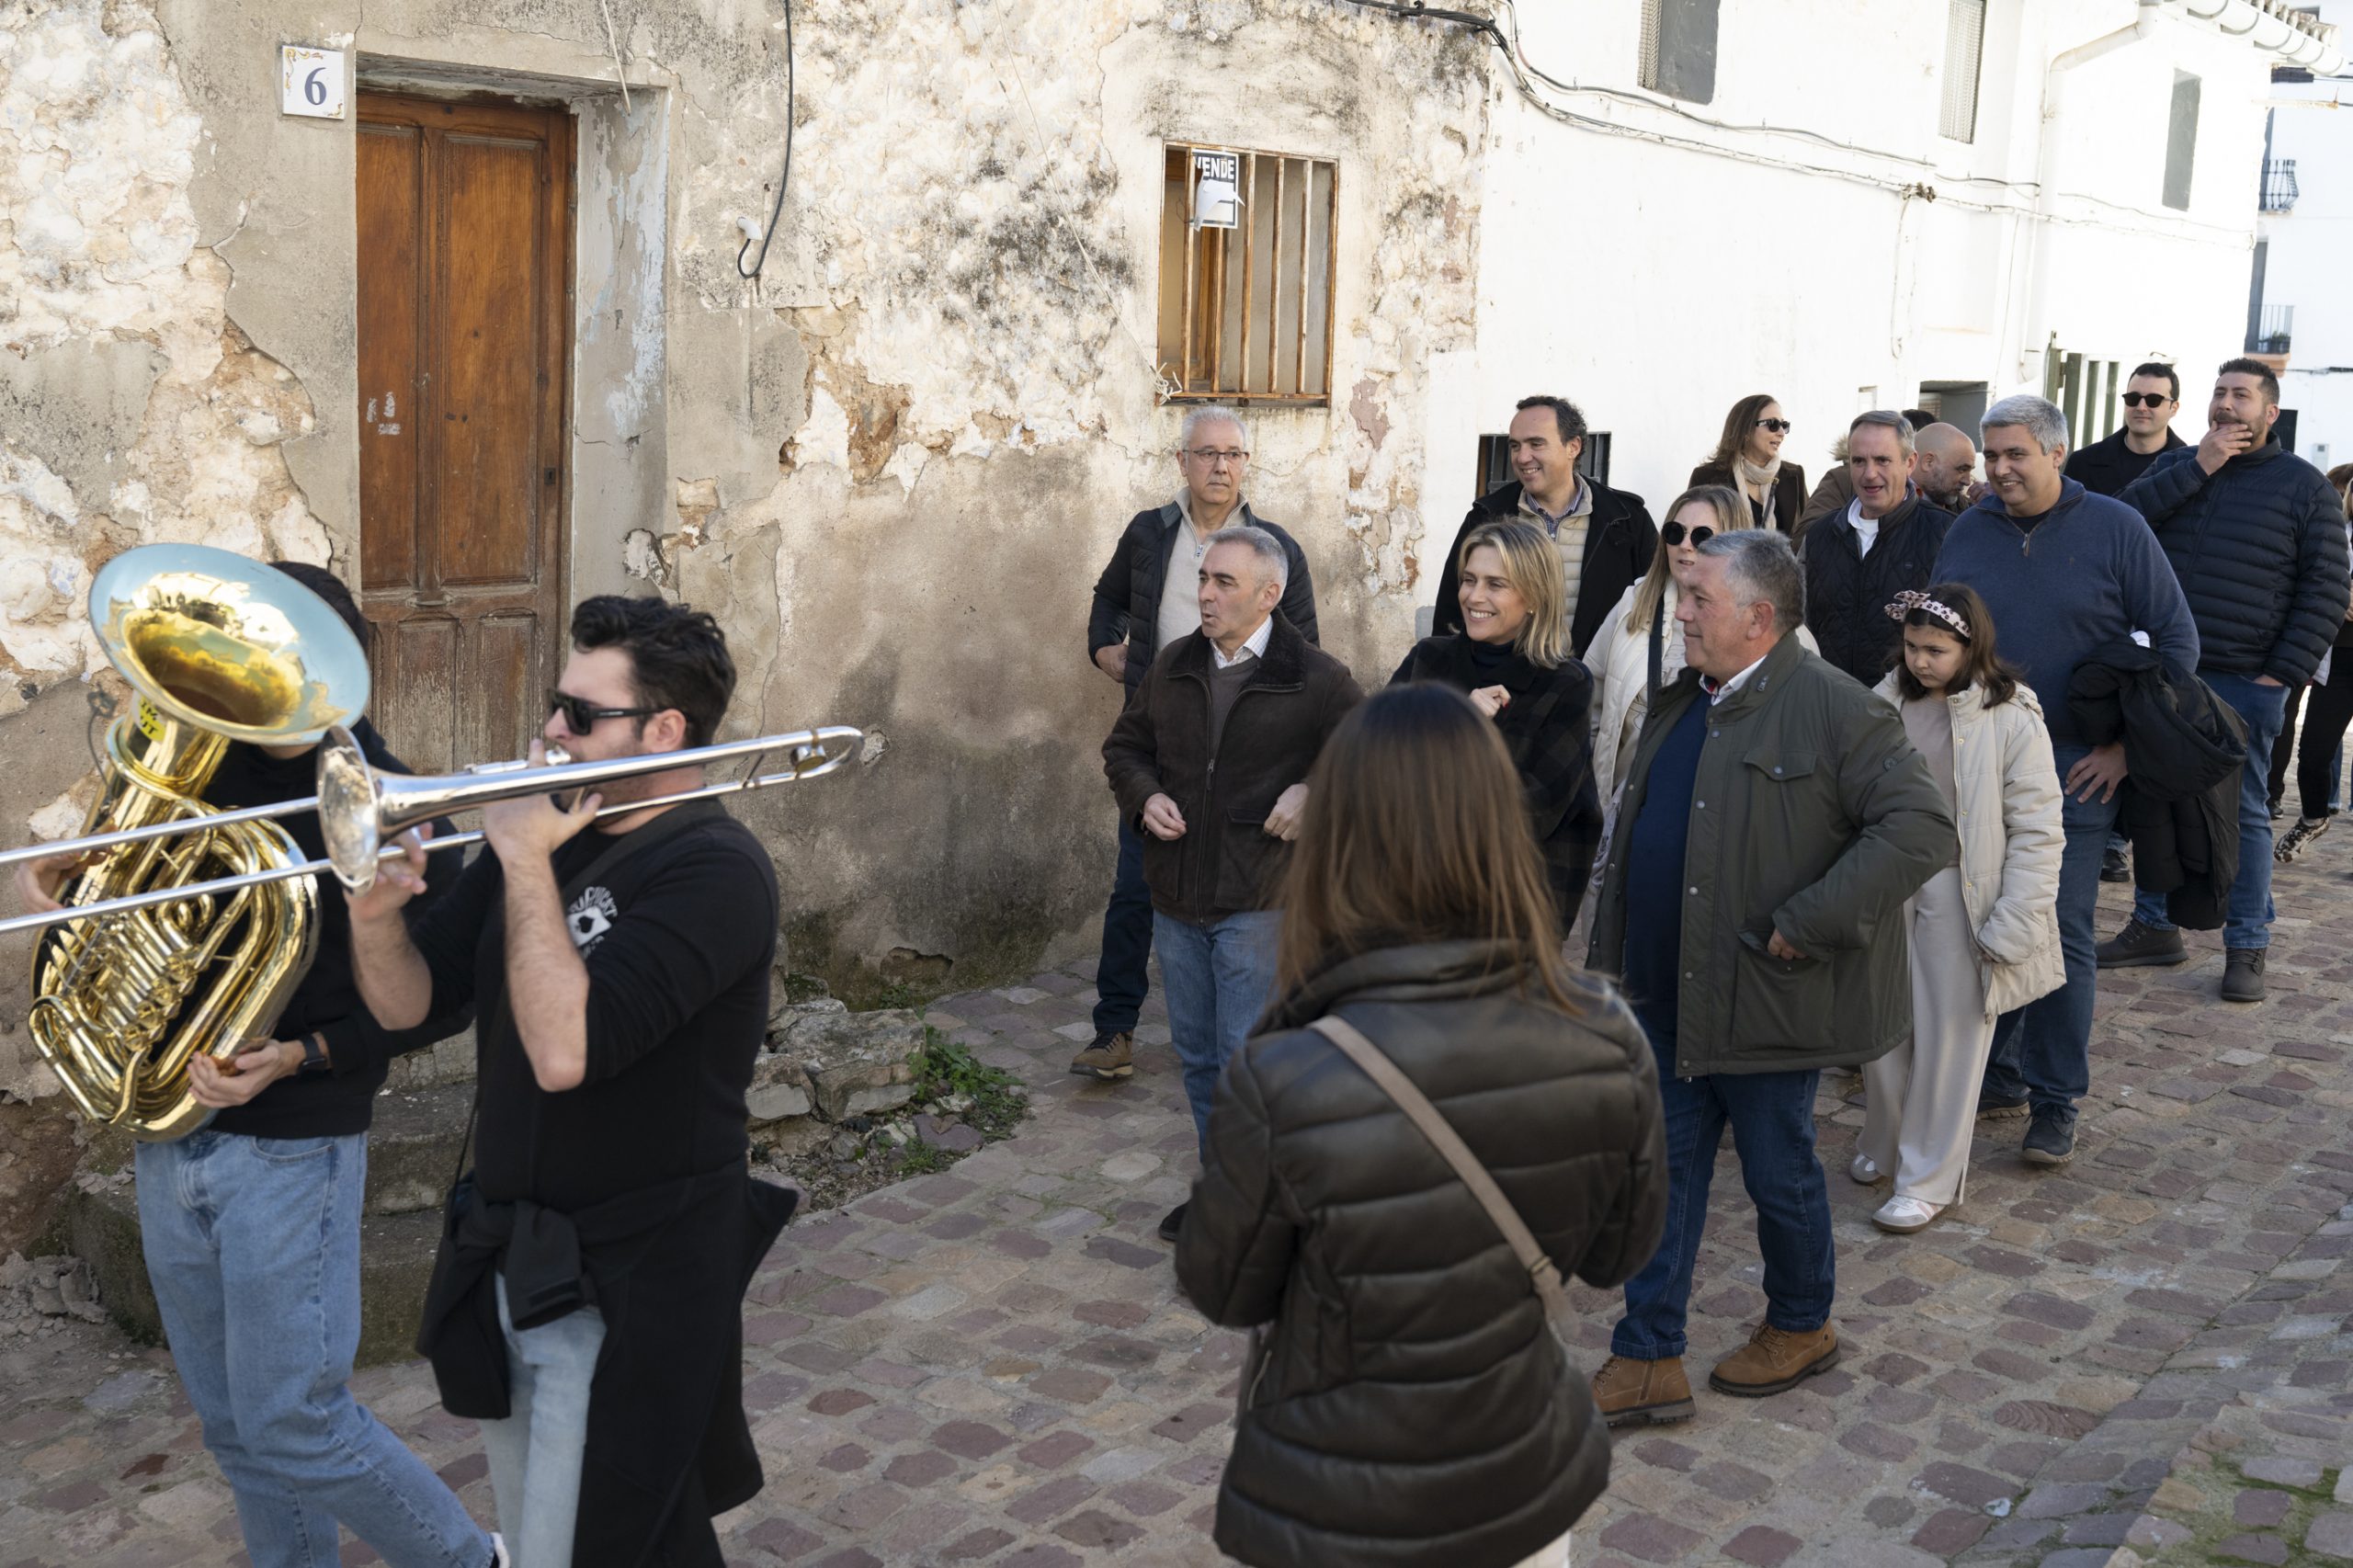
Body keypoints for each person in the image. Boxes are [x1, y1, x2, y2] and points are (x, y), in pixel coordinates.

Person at [13, 562, 495, 1568]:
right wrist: (71, 898)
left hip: (293, 1150)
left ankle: (473, 1559)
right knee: (236, 1429)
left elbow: (438, 1004)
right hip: (168, 1136)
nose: (239, 685)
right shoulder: (189, 775)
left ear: (333, 673)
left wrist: (302, 1054)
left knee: (298, 1422)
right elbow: (111, 944)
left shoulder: (391, 807)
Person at [1174, 682, 1666, 1568]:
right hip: (1519, 1483)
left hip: (1338, 1499)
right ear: (1498, 829)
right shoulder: (1604, 1033)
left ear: (1340, 841)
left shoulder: (1284, 1072)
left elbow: (1226, 1291)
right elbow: (1616, 1255)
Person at [350, 597, 797, 1568]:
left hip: (635, 1277)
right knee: (571, 1538)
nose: (551, 729)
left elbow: (566, 1052)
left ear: (664, 730)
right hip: (519, 1256)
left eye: (581, 714)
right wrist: (376, 917)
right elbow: (407, 1007)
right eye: (556, 705)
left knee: (592, 1542)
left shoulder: (715, 870)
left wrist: (522, 860)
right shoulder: (552, 836)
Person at [1584, 530, 1951, 1426]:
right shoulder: (1686, 698)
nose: (1679, 612)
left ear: (1757, 617)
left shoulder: (1836, 707)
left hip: (1766, 995)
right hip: (1666, 990)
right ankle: (1647, 1353)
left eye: (1697, 599)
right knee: (1662, 1176)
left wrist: (1807, 920)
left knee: (1778, 1175)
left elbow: (1919, 829)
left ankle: (1801, 1323)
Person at [1933, 394, 2198, 1166]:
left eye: (2015, 454)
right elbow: (1939, 637)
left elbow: (2177, 644)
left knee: (2062, 932)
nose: (1999, 469)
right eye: (1991, 455)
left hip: (2075, 772)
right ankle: (2000, 1072)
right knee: (1984, 918)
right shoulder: (1967, 530)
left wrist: (2121, 748)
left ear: (2056, 453)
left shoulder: (2117, 528)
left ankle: (2055, 1101)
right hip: (1976, 766)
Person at [1103, 526, 1362, 1243]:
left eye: (1224, 582)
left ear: (1269, 595)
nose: (1206, 595)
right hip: (1176, 900)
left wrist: (1314, 790)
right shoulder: (1174, 664)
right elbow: (1125, 748)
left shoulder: (1318, 678)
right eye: (1204, 578)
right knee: (1197, 1057)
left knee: (1247, 1061)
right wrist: (1146, 796)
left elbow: (1367, 757)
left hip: (1262, 901)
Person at [1079, 407, 1319, 1085]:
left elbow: (1305, 646)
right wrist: (1104, 649)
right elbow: (1108, 599)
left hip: (1244, 751)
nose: (1221, 466)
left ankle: (1236, 1037)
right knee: (1135, 888)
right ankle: (1115, 1030)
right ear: (1182, 462)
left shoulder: (1273, 547)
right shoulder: (1149, 533)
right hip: (1163, 740)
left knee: (1238, 904)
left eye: (1233, 454)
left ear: (1246, 464)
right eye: (1207, 453)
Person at [2100, 358, 2351, 1001]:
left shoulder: (2304, 487)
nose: (2227, 404)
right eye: (2219, 393)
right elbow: (2118, 527)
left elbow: (2326, 587)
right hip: (2167, 672)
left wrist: (2281, 675)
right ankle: (2155, 927)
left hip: (2247, 678)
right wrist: (2198, 467)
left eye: (2242, 395)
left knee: (2244, 814)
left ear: (2270, 412)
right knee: (2156, 799)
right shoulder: (2179, 466)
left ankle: (2247, 944)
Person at [1858, 585, 2064, 1233]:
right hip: (1888, 880)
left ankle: (1927, 1178)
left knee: (1950, 1038)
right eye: (1912, 647)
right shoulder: (1886, 701)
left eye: (1936, 650)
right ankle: (1886, 1140)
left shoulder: (2011, 716)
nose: (1920, 661)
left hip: (1962, 890)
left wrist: (2015, 919)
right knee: (1878, 1025)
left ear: (1971, 648)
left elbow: (2038, 827)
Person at [1391, 519, 1603, 926]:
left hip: (1510, 911)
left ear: (1535, 596)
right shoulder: (1428, 659)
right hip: (1410, 893)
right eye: (1469, 580)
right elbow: (1371, 762)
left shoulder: (1565, 683)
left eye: (1496, 584)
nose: (1474, 596)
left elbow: (1533, 812)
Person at [1585, 487, 1821, 812]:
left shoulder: (1779, 630)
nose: (1685, 545)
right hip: (1630, 806)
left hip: (1725, 812)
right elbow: (1591, 708)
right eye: (1675, 532)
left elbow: (1802, 741)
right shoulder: (1632, 606)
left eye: (1702, 536)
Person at [1432, 394, 1657, 659]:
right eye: (1515, 446)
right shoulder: (1485, 517)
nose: (1522, 457)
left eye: (1536, 444)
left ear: (1573, 446)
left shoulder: (1626, 519)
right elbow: (1450, 614)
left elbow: (1655, 605)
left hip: (1596, 679)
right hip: (1501, 680)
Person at [1802, 411, 1955, 687]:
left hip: (1906, 703)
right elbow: (1803, 626)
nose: (1870, 474)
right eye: (1859, 461)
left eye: (1882, 460)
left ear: (1910, 463)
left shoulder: (1945, 533)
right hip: (1828, 700)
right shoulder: (1820, 535)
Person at [2272, 465, 2353, 837]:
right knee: (2314, 754)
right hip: (2337, 661)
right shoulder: (2335, 536)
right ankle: (2313, 817)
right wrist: (2338, 595)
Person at [2065, 362, 2188, 497]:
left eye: (2153, 400)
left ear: (2174, 408)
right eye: (2133, 398)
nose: (2141, 407)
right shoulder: (2082, 463)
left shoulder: (2189, 467)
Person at [1688, 393, 1806, 533]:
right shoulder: (1707, 478)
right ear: (1746, 430)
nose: (1781, 433)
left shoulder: (1794, 476)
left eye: (1784, 425)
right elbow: (1692, 531)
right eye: (1773, 424)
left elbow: (1807, 532)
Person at [1912, 423, 1980, 513]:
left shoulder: (1966, 509)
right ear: (1928, 462)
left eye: (1969, 471)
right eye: (1962, 470)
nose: (1967, 481)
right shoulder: (1895, 506)